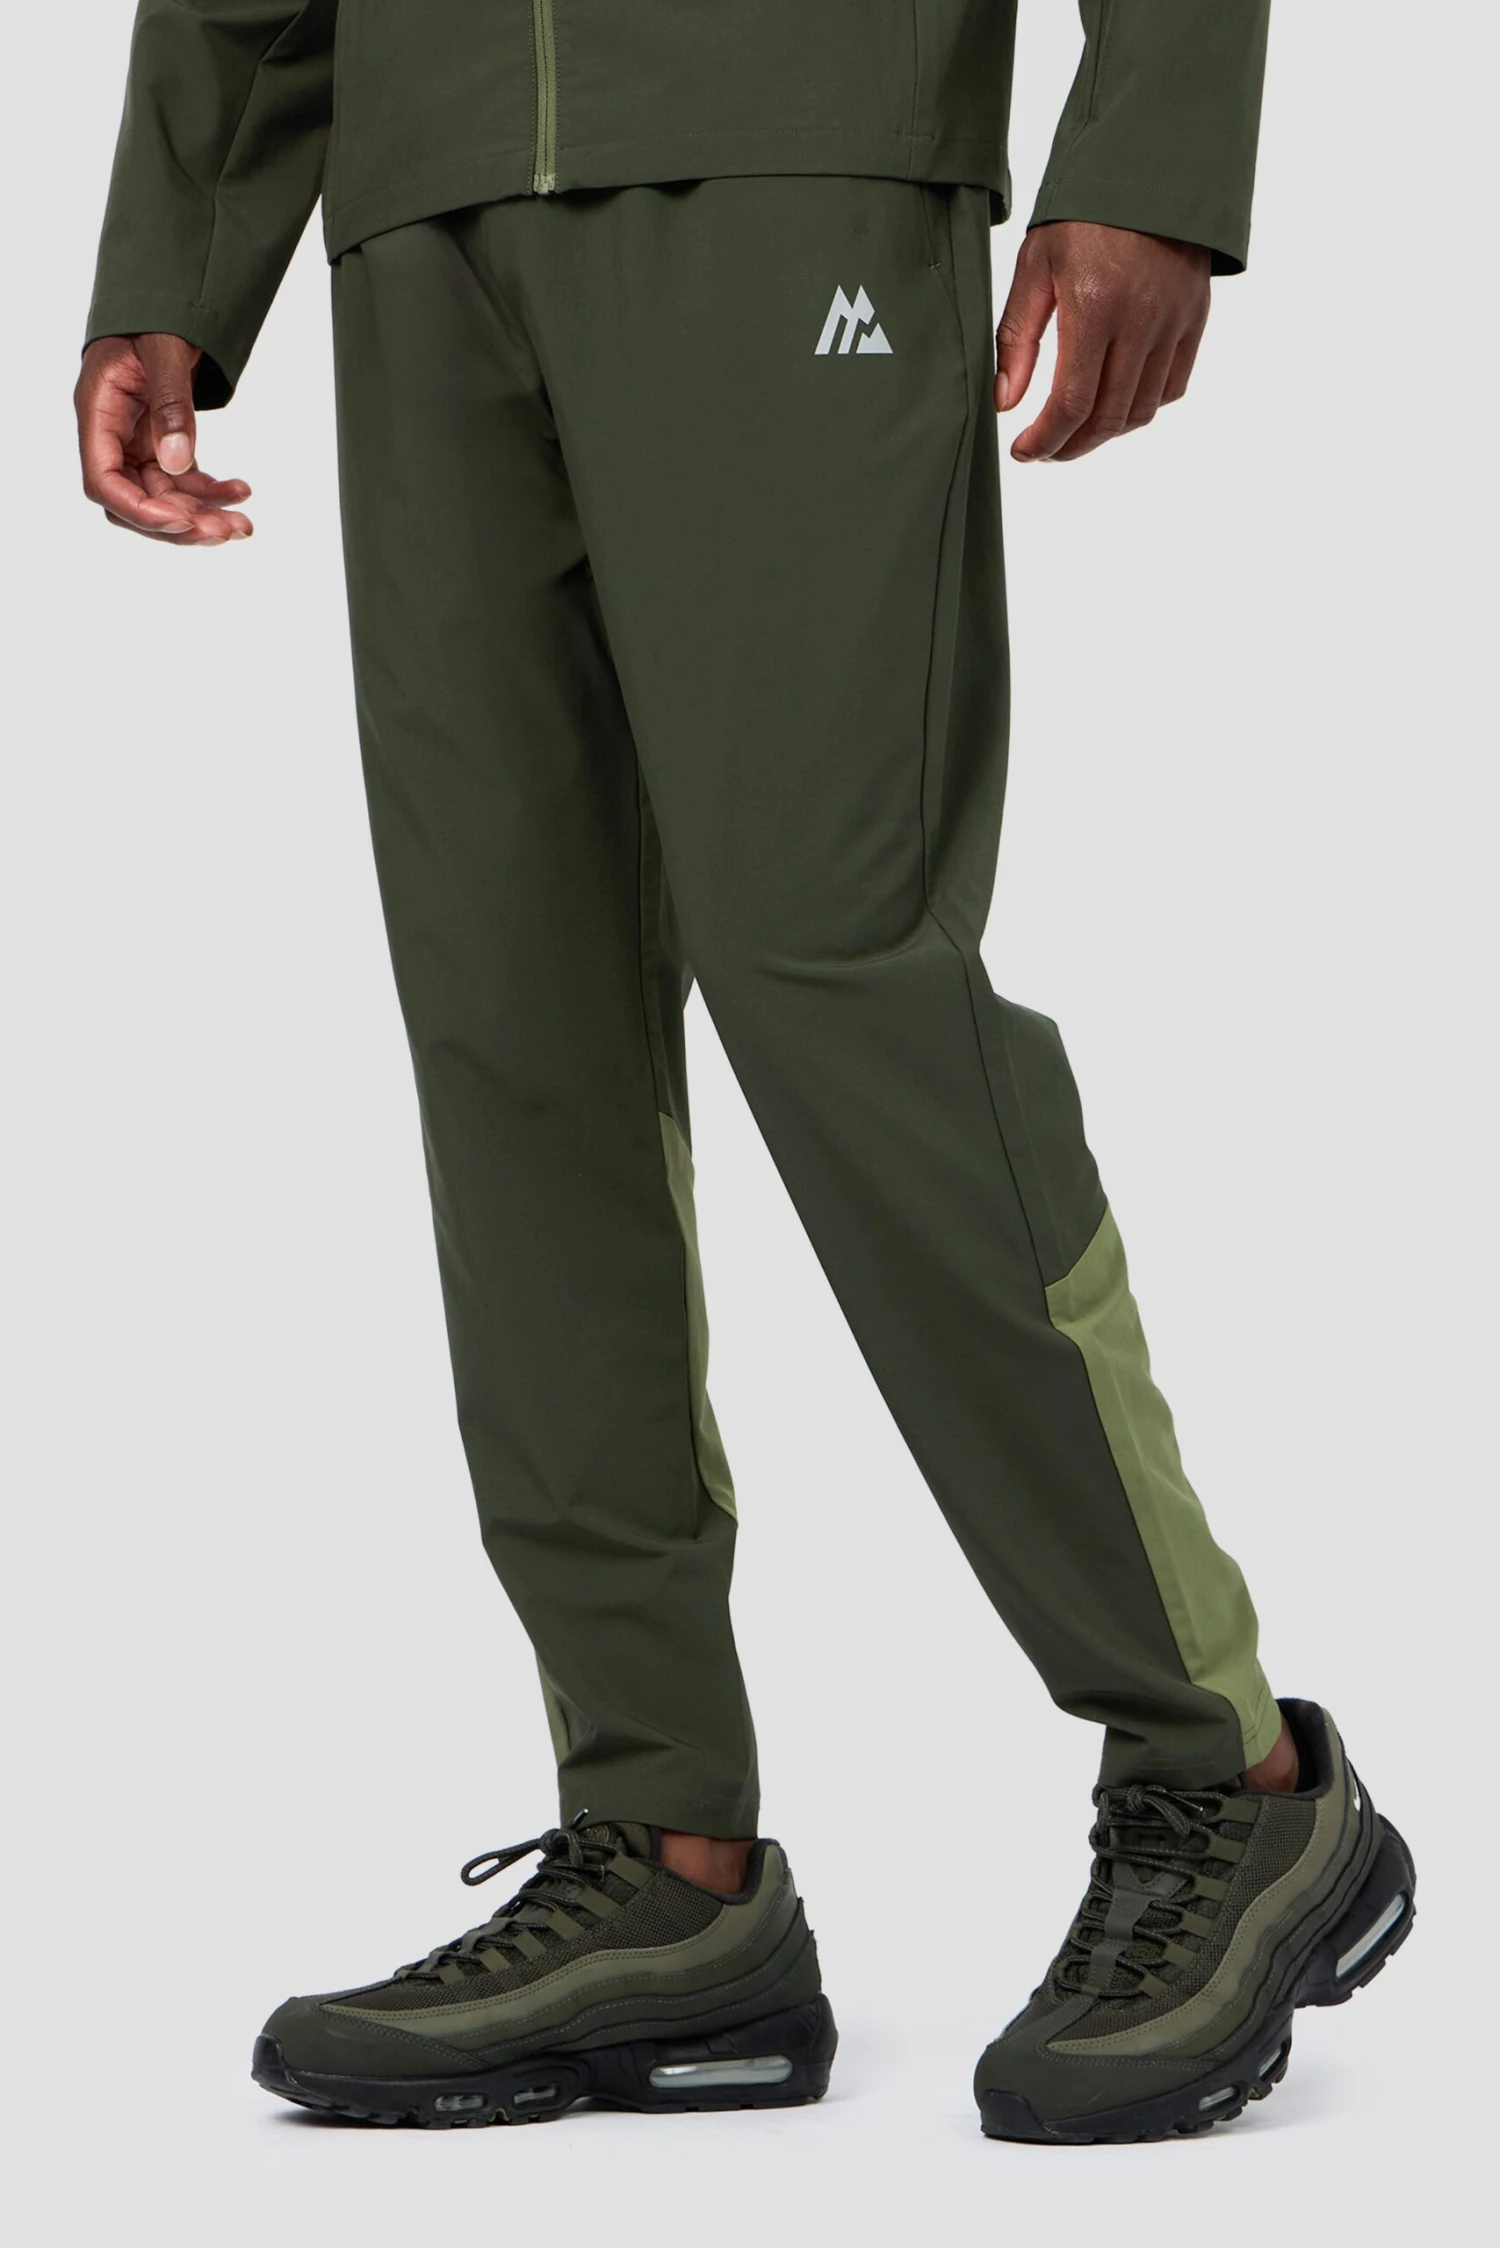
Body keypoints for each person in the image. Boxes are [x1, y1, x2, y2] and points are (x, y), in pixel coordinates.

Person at [76, 0, 1415, 2144]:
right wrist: (177, 241)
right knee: (516, 1020)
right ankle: (664, 1854)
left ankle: (1227, 1771)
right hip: (421, 196)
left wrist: (1154, 146)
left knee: (838, 967)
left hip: (793, 133)